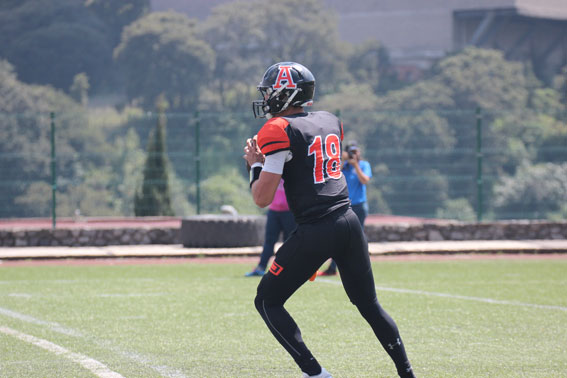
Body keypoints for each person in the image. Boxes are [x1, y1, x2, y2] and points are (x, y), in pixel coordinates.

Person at [243, 61, 415, 378]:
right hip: (348, 221)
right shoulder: (329, 120)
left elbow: (261, 198)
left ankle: (316, 374)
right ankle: (407, 373)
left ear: (285, 92)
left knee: (267, 300)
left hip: (316, 228)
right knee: (369, 305)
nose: (266, 99)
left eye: (270, 92)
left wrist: (255, 164)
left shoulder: (278, 129)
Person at [319, 141, 372, 276]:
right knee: (340, 237)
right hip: (345, 205)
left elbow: (365, 180)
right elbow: (333, 177)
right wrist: (342, 161)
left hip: (359, 206)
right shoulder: (344, 166)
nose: (354, 155)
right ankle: (333, 267)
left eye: (356, 152)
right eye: (351, 152)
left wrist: (356, 166)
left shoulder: (364, 165)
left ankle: (361, 265)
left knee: (358, 237)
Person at [245, 179, 296, 276]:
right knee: (269, 241)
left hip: (289, 211)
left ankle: (288, 268)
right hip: (273, 210)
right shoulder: (273, 170)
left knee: (289, 242)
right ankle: (261, 267)